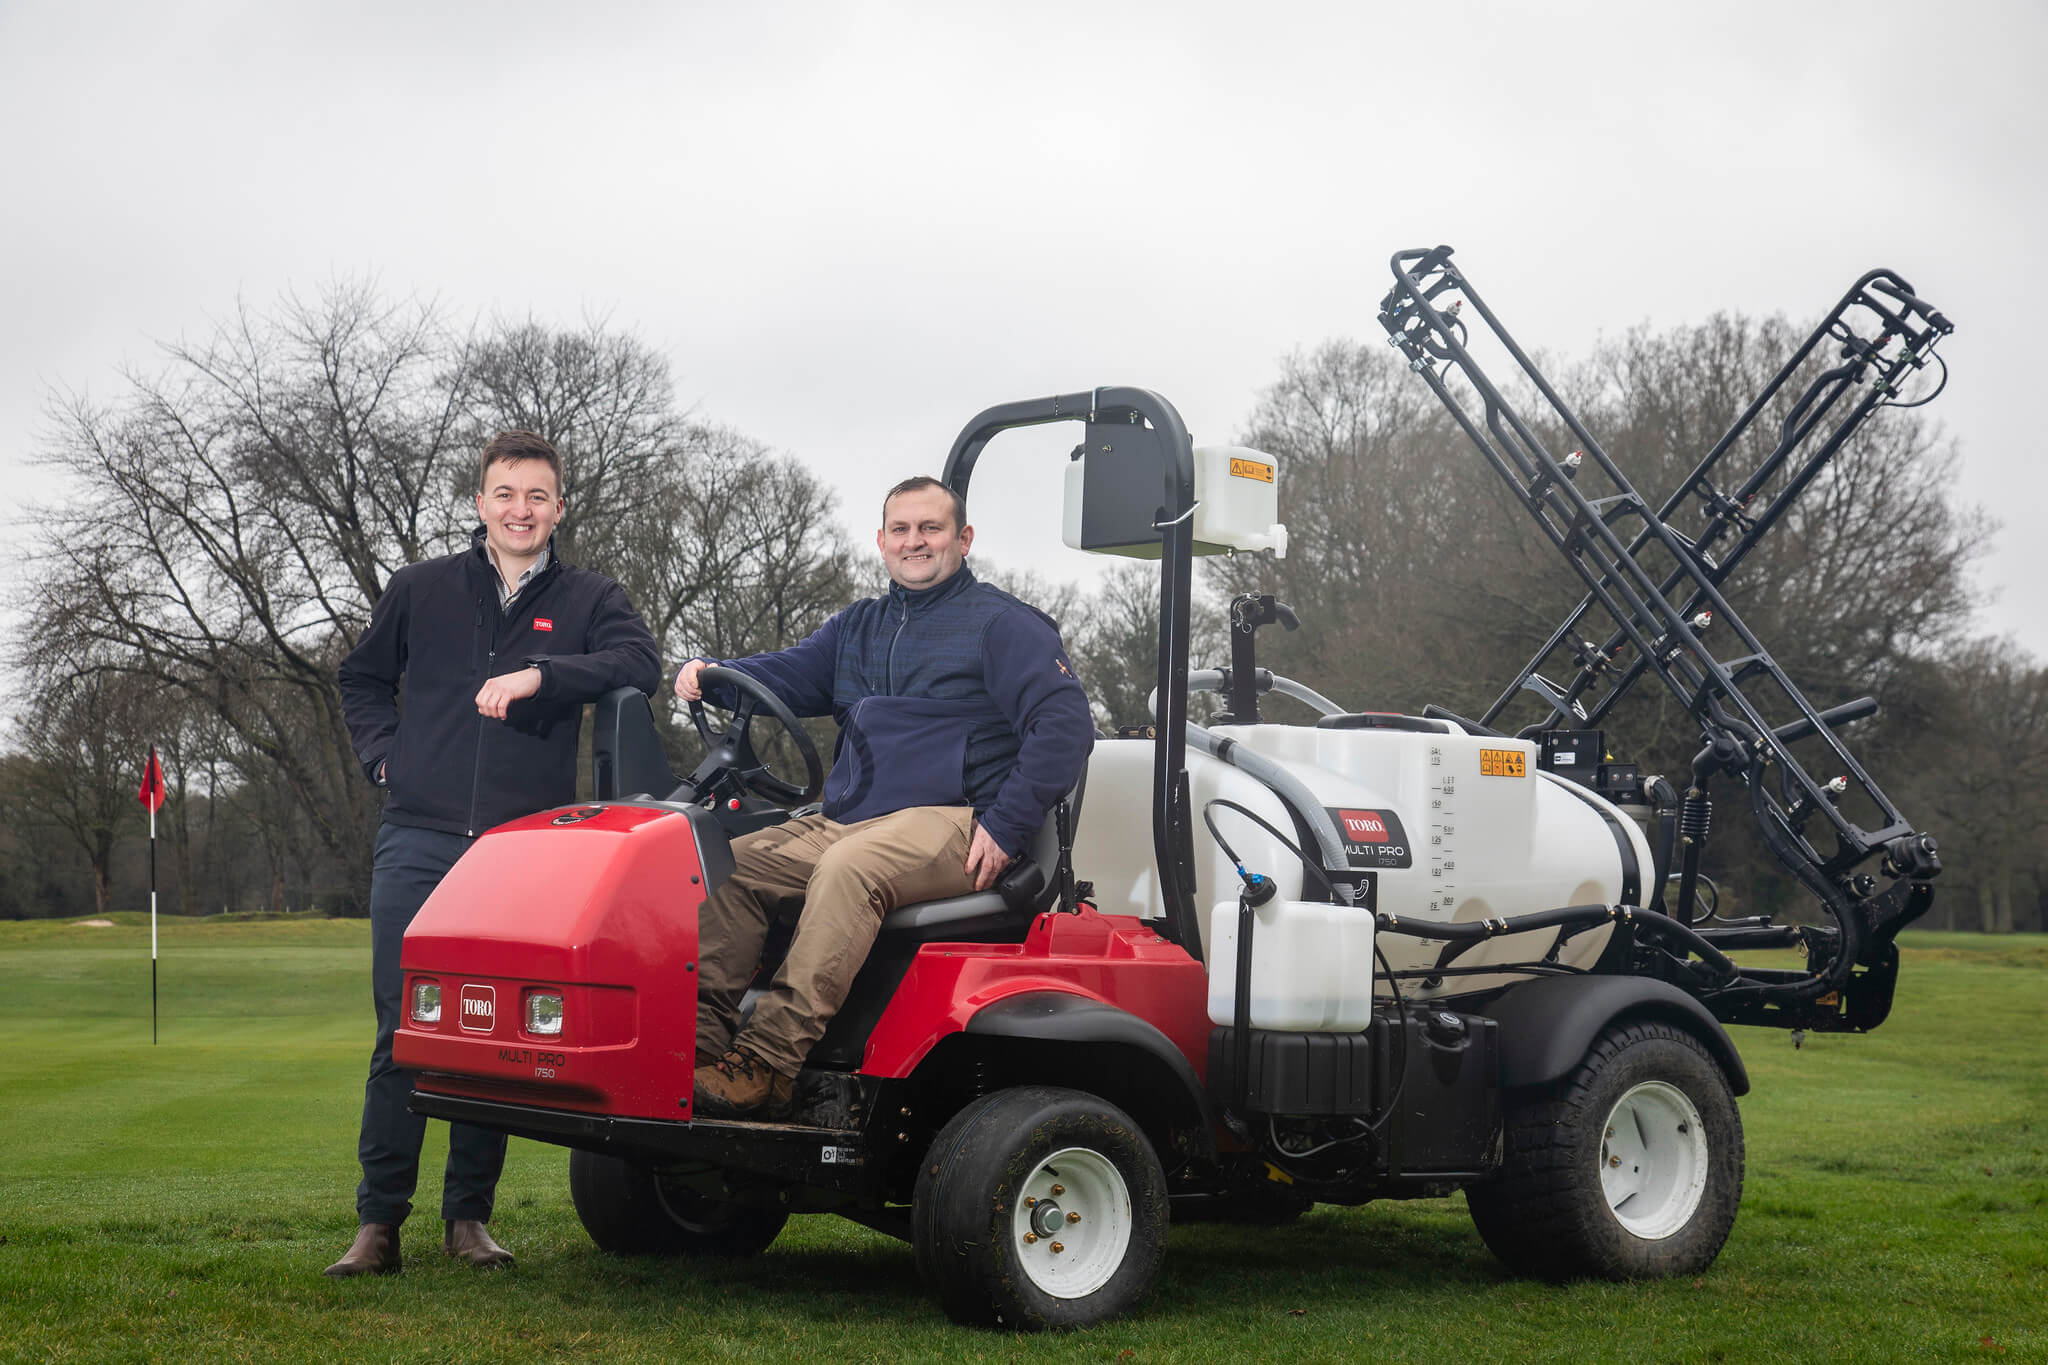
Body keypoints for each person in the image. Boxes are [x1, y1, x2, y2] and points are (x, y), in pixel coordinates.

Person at [326, 430, 660, 1277]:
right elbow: (361, 678)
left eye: (537, 496)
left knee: (494, 1033)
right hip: (420, 835)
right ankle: (377, 1225)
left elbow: (640, 661)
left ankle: (467, 1217)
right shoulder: (422, 587)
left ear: (558, 506)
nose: (521, 510)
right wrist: (385, 756)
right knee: (402, 1027)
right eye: (506, 494)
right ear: (480, 502)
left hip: (521, 853)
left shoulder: (590, 596)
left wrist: (540, 675)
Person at [675, 475, 1094, 1120]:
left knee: (851, 868)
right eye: (901, 529)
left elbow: (1065, 725)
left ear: (964, 538)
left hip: (955, 822)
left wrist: (1008, 825)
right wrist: (717, 677)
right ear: (881, 541)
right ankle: (699, 1052)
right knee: (727, 864)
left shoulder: (1002, 625)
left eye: (931, 528)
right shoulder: (858, 628)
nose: (915, 541)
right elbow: (788, 674)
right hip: (851, 818)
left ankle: (768, 1062)